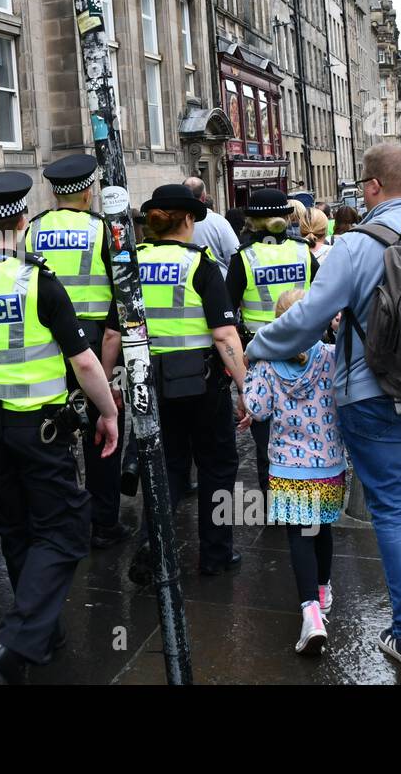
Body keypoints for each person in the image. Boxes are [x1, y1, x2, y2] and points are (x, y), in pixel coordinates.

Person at [246, 143, 401, 671]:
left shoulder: (354, 245)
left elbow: (307, 320)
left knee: (392, 508)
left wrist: (257, 347)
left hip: (372, 398)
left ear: (371, 186)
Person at [0, 171, 118, 685]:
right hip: (38, 426)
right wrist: (107, 412)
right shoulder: (36, 279)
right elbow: (83, 362)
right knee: (63, 527)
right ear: (20, 221)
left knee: (15, 526)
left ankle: (44, 630)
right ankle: (15, 644)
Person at [126, 184, 250, 585]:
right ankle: (215, 554)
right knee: (217, 466)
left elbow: (115, 333)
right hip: (202, 384)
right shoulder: (200, 263)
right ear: (189, 220)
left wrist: (113, 386)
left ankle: (153, 543)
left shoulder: (130, 263)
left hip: (149, 383)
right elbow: (225, 336)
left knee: (167, 467)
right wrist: (246, 388)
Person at [23, 153, 130, 550]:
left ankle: (59, 518)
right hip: (93, 339)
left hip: (44, 343)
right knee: (104, 428)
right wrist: (107, 367)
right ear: (88, 191)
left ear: (54, 192)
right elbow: (123, 299)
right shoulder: (105, 230)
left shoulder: (31, 230)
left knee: (53, 428)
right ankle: (104, 522)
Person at [243, 288, 345, 656]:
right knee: (323, 527)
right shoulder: (332, 357)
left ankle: (310, 614)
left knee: (300, 534)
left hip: (288, 467)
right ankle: (324, 588)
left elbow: (256, 407)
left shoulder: (267, 363)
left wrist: (253, 362)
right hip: (330, 463)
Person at [227, 190, 318, 494]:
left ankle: (275, 502)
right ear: (288, 216)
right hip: (306, 351)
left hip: (261, 355)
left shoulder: (244, 258)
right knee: (307, 425)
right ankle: (308, 488)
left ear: (252, 222)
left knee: (266, 433)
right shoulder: (303, 251)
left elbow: (227, 311)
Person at [182, 176, 239, 278]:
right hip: (219, 284)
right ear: (203, 197)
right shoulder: (219, 221)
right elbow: (234, 258)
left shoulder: (175, 222)